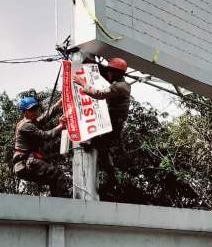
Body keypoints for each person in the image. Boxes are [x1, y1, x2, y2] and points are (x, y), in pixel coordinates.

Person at [79, 57, 132, 188]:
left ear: (117, 73)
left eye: (111, 71)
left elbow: (100, 94)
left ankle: (111, 177)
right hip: (111, 121)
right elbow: (104, 71)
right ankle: (112, 177)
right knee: (102, 149)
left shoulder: (121, 86)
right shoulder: (117, 80)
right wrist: (90, 61)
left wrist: (82, 84)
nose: (108, 74)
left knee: (98, 145)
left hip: (114, 123)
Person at [12, 96, 70, 198]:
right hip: (25, 163)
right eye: (31, 109)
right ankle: (64, 206)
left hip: (25, 164)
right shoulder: (26, 125)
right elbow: (45, 135)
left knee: (53, 180)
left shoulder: (32, 121)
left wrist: (60, 102)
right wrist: (61, 126)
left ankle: (57, 204)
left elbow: (46, 116)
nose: (35, 111)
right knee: (59, 176)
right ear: (25, 112)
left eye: (36, 108)